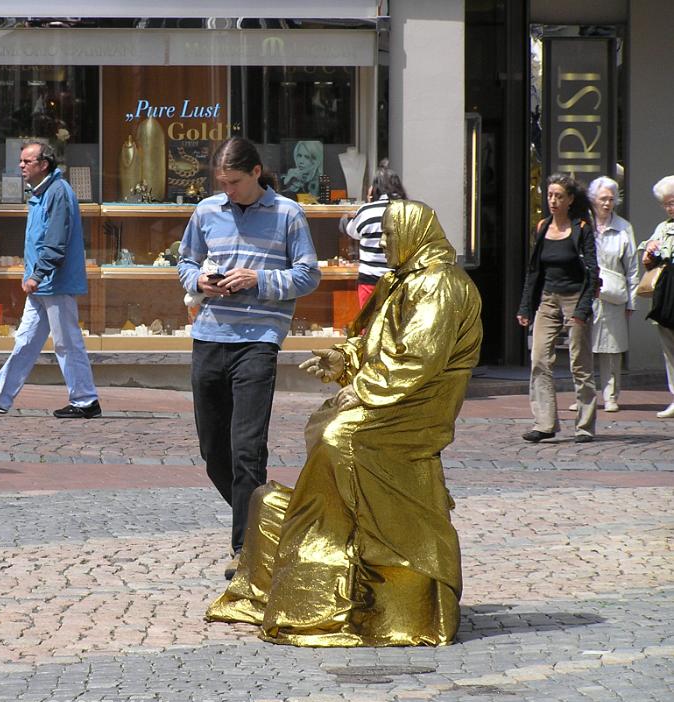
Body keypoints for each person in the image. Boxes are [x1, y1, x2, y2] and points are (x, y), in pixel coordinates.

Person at [206, 200, 482, 646]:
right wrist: (343, 359)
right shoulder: (400, 281)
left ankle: (344, 546)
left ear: (413, 234)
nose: (384, 245)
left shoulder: (439, 285)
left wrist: (368, 387)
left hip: (417, 407)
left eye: (389, 237)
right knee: (325, 423)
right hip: (394, 395)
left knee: (339, 436)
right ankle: (327, 531)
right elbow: (373, 341)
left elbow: (418, 356)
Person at [177, 136, 320, 580]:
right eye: (222, 183)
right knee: (212, 449)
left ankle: (246, 549)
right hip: (210, 334)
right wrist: (201, 281)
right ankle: (265, 521)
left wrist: (258, 279)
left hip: (259, 339)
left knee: (246, 448)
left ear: (256, 172)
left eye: (235, 182)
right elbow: (183, 263)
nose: (229, 191)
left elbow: (308, 275)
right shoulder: (205, 212)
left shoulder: (288, 214)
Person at [0, 140, 101, 418]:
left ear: (44, 164)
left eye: (27, 161)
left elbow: (55, 240)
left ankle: (85, 400)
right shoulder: (41, 193)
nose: (21, 165)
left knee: (67, 341)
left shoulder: (57, 192)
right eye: (21, 160)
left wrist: (37, 274)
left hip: (54, 282)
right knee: (25, 340)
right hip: (44, 282)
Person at [517, 173, 598, 443]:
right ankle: (544, 423)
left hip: (575, 298)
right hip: (548, 299)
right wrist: (525, 307)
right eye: (550, 195)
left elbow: (592, 271)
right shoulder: (542, 227)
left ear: (570, 199)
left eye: (559, 196)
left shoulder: (582, 227)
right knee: (539, 359)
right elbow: (533, 272)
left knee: (579, 363)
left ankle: (584, 426)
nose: (553, 200)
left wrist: (582, 309)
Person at [585, 176, 638, 413]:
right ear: (593, 199)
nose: (607, 203)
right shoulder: (584, 225)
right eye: (603, 198)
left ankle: (611, 396)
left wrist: (632, 301)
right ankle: (585, 397)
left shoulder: (624, 227)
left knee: (612, 350)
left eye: (611, 199)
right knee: (583, 348)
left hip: (614, 296)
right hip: (587, 295)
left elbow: (633, 267)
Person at [342, 160, 408, 307]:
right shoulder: (407, 210)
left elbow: (351, 232)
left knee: (369, 325)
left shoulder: (367, 211)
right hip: (399, 279)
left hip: (370, 280)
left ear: (375, 188)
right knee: (396, 326)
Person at [639, 175, 674, 418]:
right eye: (666, 204)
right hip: (666, 292)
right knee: (669, 348)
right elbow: (647, 260)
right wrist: (648, 252)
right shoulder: (662, 228)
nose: (670, 207)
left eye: (673, 202)